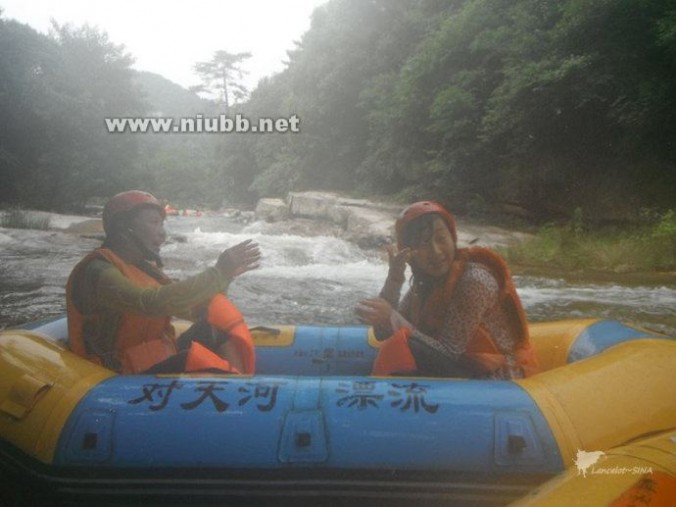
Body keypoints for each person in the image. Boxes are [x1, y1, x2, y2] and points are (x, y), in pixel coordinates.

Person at [66, 190, 261, 374]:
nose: (163, 233)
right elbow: (148, 303)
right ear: (123, 226)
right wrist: (217, 272)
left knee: (215, 328)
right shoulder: (98, 271)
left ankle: (241, 387)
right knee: (190, 359)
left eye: (162, 224)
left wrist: (225, 277)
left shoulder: (144, 270)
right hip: (117, 374)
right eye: (154, 222)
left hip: (152, 362)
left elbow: (190, 309)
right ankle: (238, 396)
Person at [355, 201, 539, 379]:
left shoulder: (474, 280)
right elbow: (383, 333)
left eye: (441, 239)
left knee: (407, 345)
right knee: (400, 345)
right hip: (465, 372)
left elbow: (448, 353)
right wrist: (394, 281)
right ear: (410, 253)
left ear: (453, 238)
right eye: (423, 244)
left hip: (499, 379)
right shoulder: (425, 284)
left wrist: (392, 318)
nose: (435, 251)